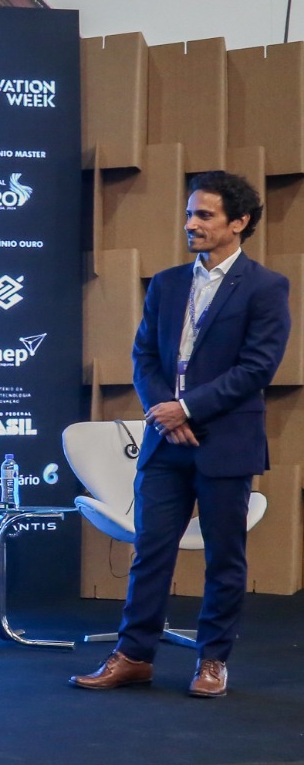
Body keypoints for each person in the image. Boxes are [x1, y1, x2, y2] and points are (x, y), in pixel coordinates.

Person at [72, 171, 290, 698]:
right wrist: (163, 413)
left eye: (204, 215)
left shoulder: (265, 286)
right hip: (164, 443)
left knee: (224, 558)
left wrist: (187, 409)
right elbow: (144, 356)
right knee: (151, 551)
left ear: (239, 223)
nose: (191, 224)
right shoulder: (168, 283)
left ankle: (212, 661)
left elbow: (257, 367)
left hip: (225, 443)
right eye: (190, 213)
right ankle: (133, 656)